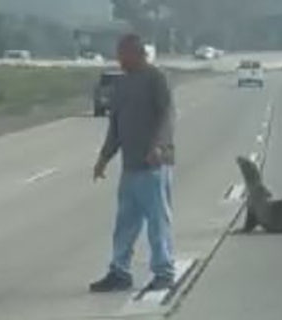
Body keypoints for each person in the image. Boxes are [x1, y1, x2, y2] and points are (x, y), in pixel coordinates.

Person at [90, 34, 176, 292]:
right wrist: (103, 158)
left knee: (157, 221)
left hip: (154, 165)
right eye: (118, 54)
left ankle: (164, 272)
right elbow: (115, 126)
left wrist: (159, 145)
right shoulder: (122, 84)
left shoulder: (156, 78)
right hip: (131, 166)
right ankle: (119, 272)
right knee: (125, 224)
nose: (119, 59)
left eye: (123, 53)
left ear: (137, 53)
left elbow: (168, 115)